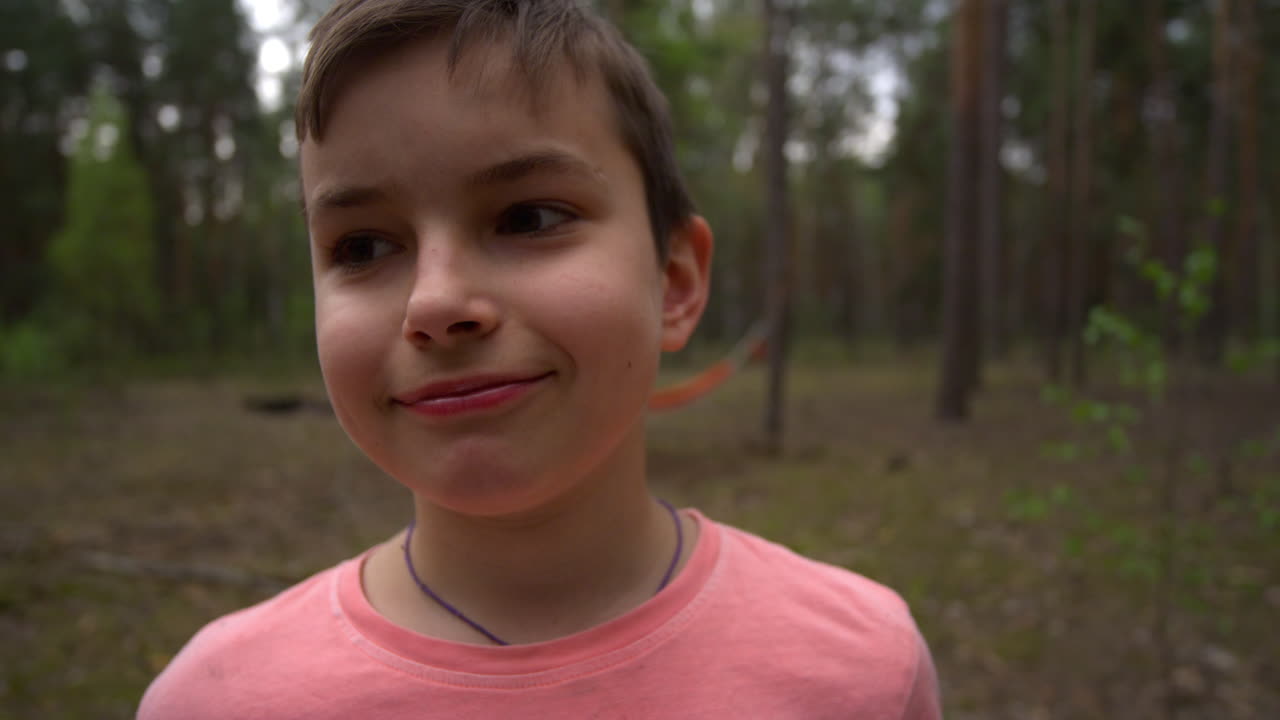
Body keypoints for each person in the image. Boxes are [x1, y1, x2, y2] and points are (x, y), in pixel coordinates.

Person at [138, 1, 941, 717]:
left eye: (529, 217)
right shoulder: (218, 698)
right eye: (364, 245)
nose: (437, 303)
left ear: (673, 282)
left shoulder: (862, 670)